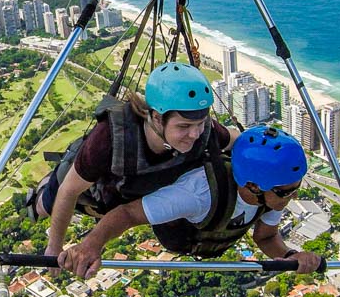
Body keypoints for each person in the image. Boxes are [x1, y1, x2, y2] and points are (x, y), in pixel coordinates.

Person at [26, 61, 238, 259]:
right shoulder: (110, 138)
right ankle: (44, 187)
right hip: (90, 189)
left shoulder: (205, 133)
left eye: (200, 123)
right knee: (44, 207)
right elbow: (69, 190)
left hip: (126, 194)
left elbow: (236, 140)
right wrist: (54, 248)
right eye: (183, 127)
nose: (194, 134)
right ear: (156, 118)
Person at [57, 125, 325, 279]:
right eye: (286, 192)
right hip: (182, 233)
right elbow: (127, 214)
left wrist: (291, 255)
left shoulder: (270, 197)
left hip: (209, 233)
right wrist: (90, 245)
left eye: (295, 189)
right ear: (253, 186)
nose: (293, 197)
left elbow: (266, 237)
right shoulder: (198, 192)